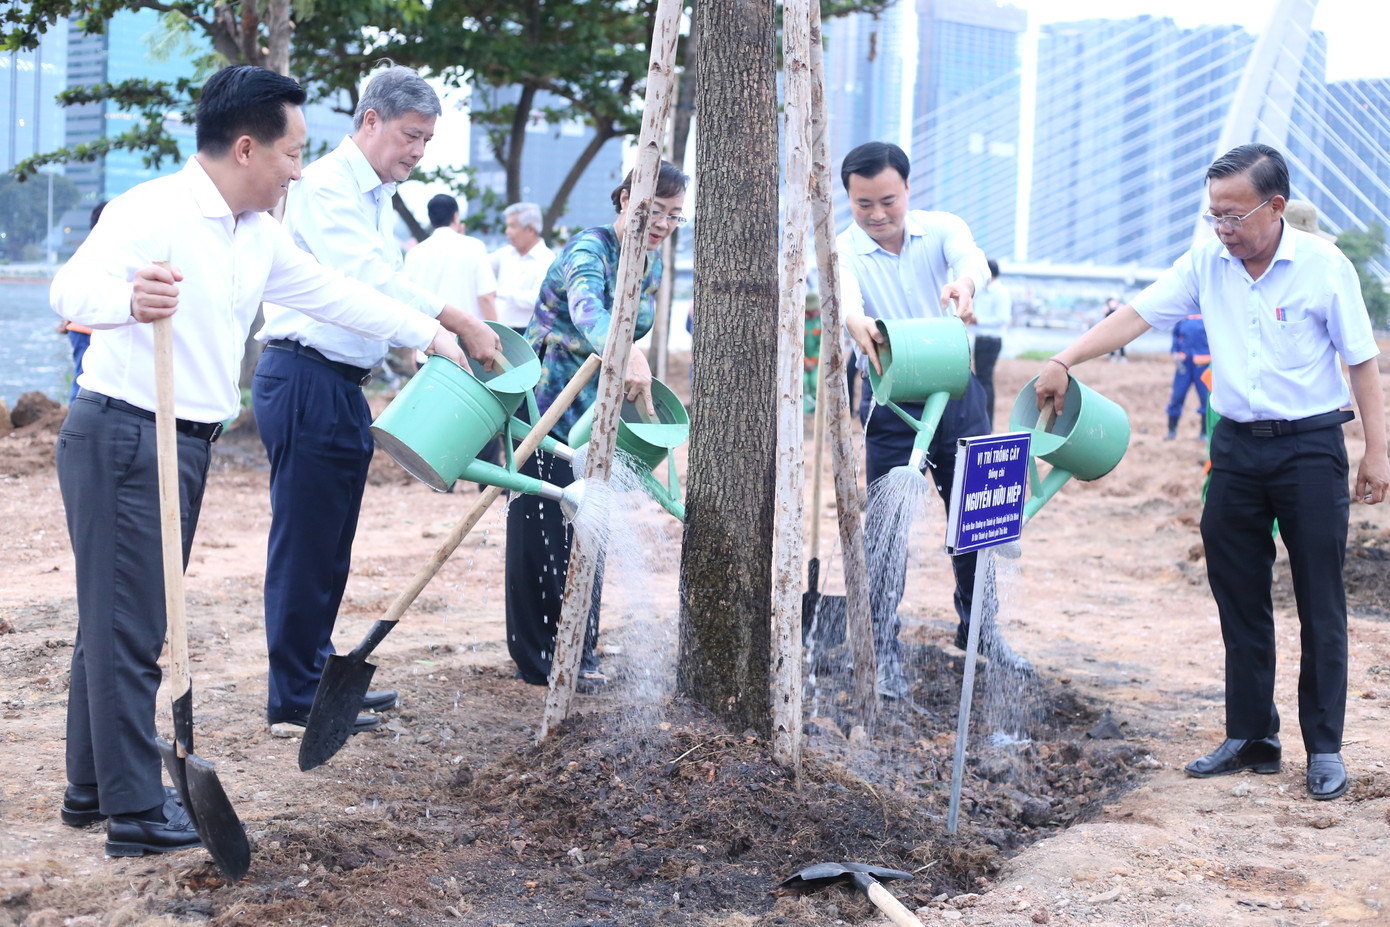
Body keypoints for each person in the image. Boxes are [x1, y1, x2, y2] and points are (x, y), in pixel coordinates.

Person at [50, 65, 465, 858]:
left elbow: (336, 293)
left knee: (115, 616)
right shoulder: (155, 210)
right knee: (132, 627)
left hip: (185, 437)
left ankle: (90, 787)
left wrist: (434, 334)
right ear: (246, 148)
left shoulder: (259, 232)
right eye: (292, 155)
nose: (301, 171)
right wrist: (126, 300)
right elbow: (70, 290)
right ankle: (138, 812)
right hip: (126, 432)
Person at [1033, 143, 1388, 802]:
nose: (1222, 228)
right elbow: (1136, 316)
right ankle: (1252, 736)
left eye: (1233, 214)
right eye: (1213, 215)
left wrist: (1378, 451)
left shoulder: (1323, 266)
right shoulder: (1206, 263)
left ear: (1275, 207)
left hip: (1309, 447)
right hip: (1235, 450)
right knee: (1238, 590)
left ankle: (1326, 747)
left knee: (1320, 598)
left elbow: (1363, 361)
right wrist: (1066, 356)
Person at [253, 65, 500, 736]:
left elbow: (382, 285)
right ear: (370, 121)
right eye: (410, 136)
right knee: (305, 542)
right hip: (304, 375)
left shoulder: (370, 195)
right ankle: (292, 698)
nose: (417, 153)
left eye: (426, 141)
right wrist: (457, 321)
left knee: (331, 544)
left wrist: (418, 346)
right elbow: (366, 281)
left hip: (336, 383)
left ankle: (315, 673)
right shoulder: (329, 185)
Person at [505, 160, 687, 688]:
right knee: (543, 532)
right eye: (655, 211)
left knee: (589, 528)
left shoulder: (648, 262)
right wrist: (626, 352)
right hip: (545, 409)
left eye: (675, 218)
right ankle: (540, 660)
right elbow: (590, 314)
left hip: (596, 413)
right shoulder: (588, 251)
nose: (662, 225)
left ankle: (579, 649)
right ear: (626, 196)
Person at [836, 141, 993, 698]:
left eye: (888, 201)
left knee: (977, 518)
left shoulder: (942, 228)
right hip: (890, 400)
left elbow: (969, 259)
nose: (877, 215)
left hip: (955, 392)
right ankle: (882, 651)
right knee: (887, 529)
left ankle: (983, 638)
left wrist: (964, 286)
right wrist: (853, 321)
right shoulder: (842, 252)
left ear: (908, 189)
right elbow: (845, 297)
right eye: (863, 205)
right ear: (848, 199)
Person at [404, 193, 498, 326]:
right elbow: (486, 298)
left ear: (431, 221)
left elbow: (409, 302)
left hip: (427, 340)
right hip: (469, 339)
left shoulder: (413, 254)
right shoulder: (474, 247)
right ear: (456, 216)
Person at [59, 201, 107, 403]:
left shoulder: (91, 249)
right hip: (86, 327)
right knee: (83, 378)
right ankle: (74, 422)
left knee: (86, 377)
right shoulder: (101, 250)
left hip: (85, 326)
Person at [491, 201, 554, 334]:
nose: (507, 231)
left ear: (530, 229)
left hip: (528, 332)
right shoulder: (505, 253)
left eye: (512, 226)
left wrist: (498, 293)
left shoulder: (547, 259)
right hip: (499, 328)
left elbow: (537, 298)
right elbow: (481, 268)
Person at [971, 258, 1009, 429]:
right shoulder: (984, 290)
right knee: (982, 379)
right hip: (981, 340)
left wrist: (978, 320)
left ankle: (987, 422)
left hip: (991, 341)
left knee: (984, 380)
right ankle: (983, 420)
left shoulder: (1000, 292)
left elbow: (1003, 319)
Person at [1164, 312, 1210, 440]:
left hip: (1203, 364)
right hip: (1184, 364)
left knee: (1206, 398)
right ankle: (1171, 431)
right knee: (1177, 396)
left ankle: (1204, 433)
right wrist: (1174, 352)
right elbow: (1175, 335)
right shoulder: (1183, 315)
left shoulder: (1209, 312)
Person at [1103, 297, 1126, 361]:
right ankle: (1113, 356)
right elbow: (1104, 316)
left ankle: (1122, 356)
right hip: (1110, 327)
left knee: (1121, 342)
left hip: (1119, 326)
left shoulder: (1120, 306)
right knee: (1111, 342)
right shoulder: (1106, 307)